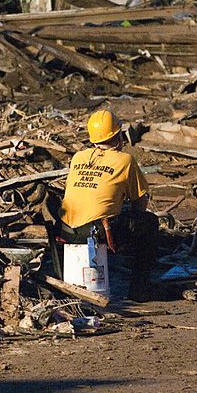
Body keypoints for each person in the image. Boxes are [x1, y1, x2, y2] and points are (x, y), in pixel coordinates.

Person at [59, 109, 159, 302]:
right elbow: (140, 201)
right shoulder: (125, 160)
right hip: (97, 230)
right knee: (148, 223)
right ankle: (139, 290)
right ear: (118, 135)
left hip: (66, 230)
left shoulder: (78, 157)